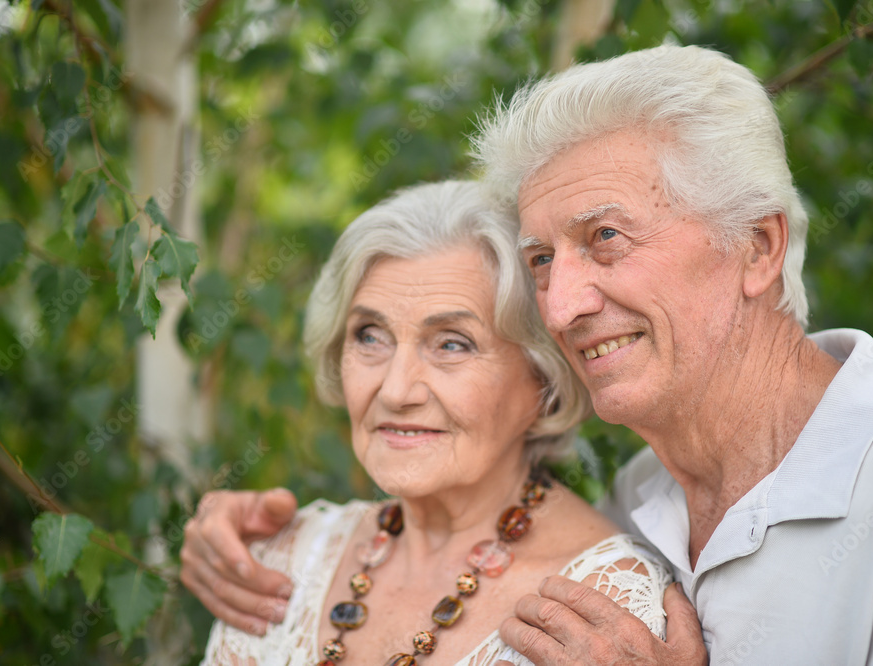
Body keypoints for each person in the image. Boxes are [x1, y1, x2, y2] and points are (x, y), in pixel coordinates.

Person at [184, 45, 873, 665]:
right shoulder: (641, 496)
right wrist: (236, 525)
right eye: (541, 261)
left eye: (606, 239)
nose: (559, 308)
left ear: (756, 248)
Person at [193, 179, 675, 666]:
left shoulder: (606, 612)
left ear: (543, 378)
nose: (397, 390)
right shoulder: (283, 563)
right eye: (370, 336)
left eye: (451, 344)